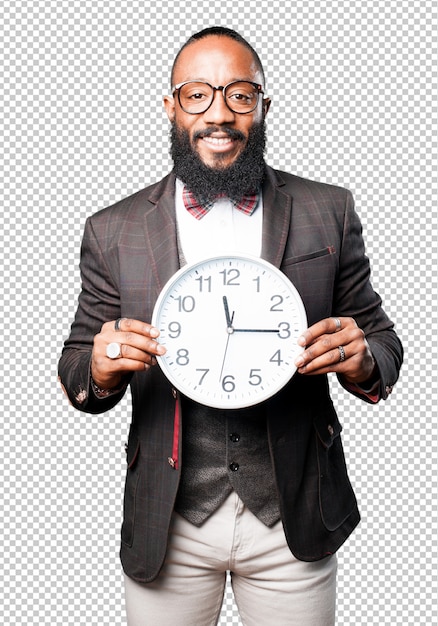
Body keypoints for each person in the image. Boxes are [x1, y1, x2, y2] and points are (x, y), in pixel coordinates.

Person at [58, 26, 403, 626]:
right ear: (170, 106)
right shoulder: (111, 230)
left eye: (240, 94)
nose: (219, 113)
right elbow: (76, 362)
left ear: (264, 106)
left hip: (292, 514)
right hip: (170, 522)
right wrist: (99, 366)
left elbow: (382, 340)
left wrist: (364, 356)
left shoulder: (329, 210)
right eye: (198, 95)